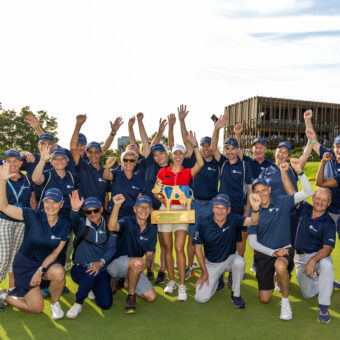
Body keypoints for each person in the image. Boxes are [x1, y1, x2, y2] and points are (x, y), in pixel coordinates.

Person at [0, 165, 70, 320]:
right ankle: (7, 298)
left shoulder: (65, 224)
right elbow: (3, 207)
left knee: (59, 272)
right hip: (24, 265)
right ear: (43, 202)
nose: (51, 206)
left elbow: (55, 253)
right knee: (36, 308)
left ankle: (55, 303)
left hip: (45, 264)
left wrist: (40, 270)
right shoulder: (32, 215)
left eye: (55, 202)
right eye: (47, 201)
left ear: (61, 204)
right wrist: (2, 181)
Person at [248, 158, 313, 320]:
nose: (261, 194)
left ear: (269, 190)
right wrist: (273, 252)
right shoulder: (253, 213)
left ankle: (285, 301)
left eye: (264, 190)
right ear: (253, 194)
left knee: (280, 265)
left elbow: (308, 192)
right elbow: (252, 243)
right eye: (257, 191)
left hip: (284, 249)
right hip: (265, 253)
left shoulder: (282, 201)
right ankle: (275, 277)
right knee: (265, 299)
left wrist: (300, 172)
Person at [154, 130, 204, 301]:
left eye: (180, 153)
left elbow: (200, 163)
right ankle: (172, 281)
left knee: (179, 248)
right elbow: (156, 191)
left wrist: (195, 146)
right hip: (165, 210)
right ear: (171, 154)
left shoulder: (187, 172)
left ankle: (182, 284)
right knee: (167, 248)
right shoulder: (163, 172)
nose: (177, 156)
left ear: (183, 156)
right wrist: (163, 197)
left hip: (182, 210)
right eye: (175, 153)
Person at [194, 193, 261, 306]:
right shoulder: (203, 223)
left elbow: (253, 221)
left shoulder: (233, 218)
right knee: (200, 298)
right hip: (211, 263)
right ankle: (217, 279)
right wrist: (204, 272)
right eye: (217, 207)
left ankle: (236, 294)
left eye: (223, 208)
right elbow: (198, 250)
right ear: (213, 208)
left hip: (229, 258)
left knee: (239, 262)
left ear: (228, 210)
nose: (220, 211)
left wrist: (255, 209)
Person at [178, 104, 219, 280]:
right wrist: (181, 121)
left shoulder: (217, 162)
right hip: (194, 205)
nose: (205, 148)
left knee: (209, 237)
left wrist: (216, 128)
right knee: (190, 238)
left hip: (210, 205)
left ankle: (210, 267)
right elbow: (187, 141)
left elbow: (217, 143)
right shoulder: (195, 160)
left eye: (208, 145)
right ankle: (189, 266)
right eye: (202, 146)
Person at [66, 193, 116, 318]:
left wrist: (100, 264)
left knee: (106, 304)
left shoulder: (110, 224)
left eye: (95, 210)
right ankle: (78, 303)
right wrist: (75, 210)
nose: (93, 214)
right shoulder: (81, 224)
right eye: (88, 212)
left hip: (101, 269)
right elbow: (73, 220)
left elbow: (111, 249)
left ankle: (91, 287)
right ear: (85, 213)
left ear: (101, 209)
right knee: (89, 273)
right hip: (80, 269)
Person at [106, 194, 157, 314]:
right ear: (135, 209)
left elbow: (149, 254)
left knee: (151, 297)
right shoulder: (128, 220)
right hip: (115, 264)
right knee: (137, 262)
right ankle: (131, 297)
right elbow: (113, 227)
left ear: (151, 211)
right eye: (140, 207)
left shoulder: (152, 230)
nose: (143, 210)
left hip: (135, 266)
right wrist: (117, 206)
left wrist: (147, 263)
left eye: (147, 207)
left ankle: (121, 283)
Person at [294, 188, 335, 324]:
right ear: (313, 198)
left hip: (317, 256)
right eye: (318, 198)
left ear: (329, 203)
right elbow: (291, 192)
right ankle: (326, 280)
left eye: (324, 200)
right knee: (307, 294)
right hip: (299, 257)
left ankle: (323, 307)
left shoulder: (329, 222)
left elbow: (327, 249)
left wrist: (313, 260)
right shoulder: (304, 207)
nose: (320, 202)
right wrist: (289, 172)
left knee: (327, 265)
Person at [0, 150, 35, 311]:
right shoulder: (1, 177)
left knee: (16, 259)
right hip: (5, 221)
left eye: (16, 161)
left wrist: (33, 220)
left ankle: (13, 290)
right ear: (4, 163)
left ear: (21, 163)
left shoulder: (26, 178)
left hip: (23, 222)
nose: (12, 164)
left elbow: (32, 200)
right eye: (9, 161)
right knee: (3, 259)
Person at [32, 145, 77, 219]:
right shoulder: (47, 174)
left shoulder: (72, 176)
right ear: (51, 162)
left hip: (66, 218)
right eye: (55, 159)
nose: (59, 161)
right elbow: (36, 179)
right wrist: (42, 160)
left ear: (67, 161)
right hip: (47, 216)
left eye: (62, 158)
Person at [103, 149, 145, 218]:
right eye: (125, 160)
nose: (128, 162)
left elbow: (139, 198)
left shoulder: (139, 177)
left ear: (135, 163)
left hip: (131, 215)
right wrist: (107, 167)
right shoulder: (117, 172)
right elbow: (106, 176)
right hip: (115, 213)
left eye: (131, 160)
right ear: (122, 162)